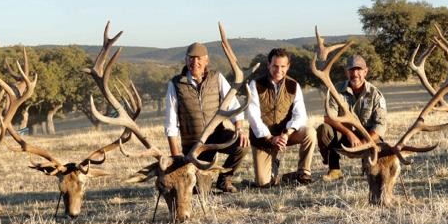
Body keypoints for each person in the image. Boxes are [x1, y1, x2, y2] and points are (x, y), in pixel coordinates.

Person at [164, 41, 249, 192]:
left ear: (206, 60)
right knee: (201, 190)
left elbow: (234, 106)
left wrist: (240, 129)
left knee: (241, 146)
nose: (194, 62)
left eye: (198, 58)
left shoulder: (217, 78)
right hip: (195, 147)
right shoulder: (176, 84)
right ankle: (201, 180)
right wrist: (176, 157)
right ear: (186, 60)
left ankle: (225, 180)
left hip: (217, 137)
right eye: (191, 58)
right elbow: (171, 125)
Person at [245, 48, 316, 187]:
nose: (279, 70)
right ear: (268, 65)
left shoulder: (294, 85)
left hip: (284, 135)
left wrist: (286, 134)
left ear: (288, 66)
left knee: (310, 133)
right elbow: (253, 116)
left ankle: (303, 173)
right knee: (263, 183)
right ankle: (273, 167)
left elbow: (300, 114)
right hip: (263, 139)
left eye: (283, 66)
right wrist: (270, 138)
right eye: (275, 66)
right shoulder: (255, 85)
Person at [316, 54, 387, 181]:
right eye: (351, 70)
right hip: (345, 137)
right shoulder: (335, 90)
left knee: (377, 148)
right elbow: (328, 117)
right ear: (346, 72)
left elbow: (380, 126)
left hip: (367, 138)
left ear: (366, 71)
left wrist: (365, 142)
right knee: (324, 129)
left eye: (359, 70)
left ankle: (368, 167)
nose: (355, 74)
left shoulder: (376, 95)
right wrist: (349, 134)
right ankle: (334, 169)